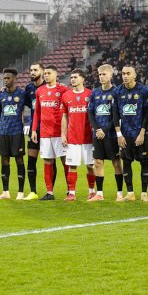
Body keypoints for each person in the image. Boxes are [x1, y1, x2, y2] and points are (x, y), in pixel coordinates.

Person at [31, 65, 69, 200]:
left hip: (59, 132)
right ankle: (49, 192)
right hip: (45, 133)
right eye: (45, 73)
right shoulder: (39, 91)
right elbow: (37, 112)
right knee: (47, 161)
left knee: (65, 161)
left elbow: (67, 111)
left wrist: (66, 131)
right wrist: (34, 130)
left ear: (56, 74)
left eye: (49, 73)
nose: (46, 75)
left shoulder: (63, 89)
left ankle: (70, 190)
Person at [115, 65, 148, 202]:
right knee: (126, 162)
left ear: (134, 75)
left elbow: (147, 113)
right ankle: (130, 193)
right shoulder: (118, 91)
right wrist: (119, 135)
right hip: (125, 135)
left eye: (128, 73)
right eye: (123, 73)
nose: (125, 76)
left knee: (144, 162)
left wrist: (142, 133)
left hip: (140, 134)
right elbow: (115, 115)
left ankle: (144, 193)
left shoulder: (143, 90)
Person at [87, 64, 123, 202]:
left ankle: (120, 193)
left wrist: (105, 130)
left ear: (111, 75)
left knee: (116, 162)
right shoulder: (95, 92)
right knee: (98, 162)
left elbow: (117, 115)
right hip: (98, 134)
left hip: (112, 134)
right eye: (100, 74)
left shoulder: (116, 92)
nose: (101, 77)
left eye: (104, 74)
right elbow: (91, 113)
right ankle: (99, 194)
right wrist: (97, 129)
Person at [60, 69, 95, 201]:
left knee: (90, 165)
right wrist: (63, 135)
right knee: (72, 165)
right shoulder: (66, 96)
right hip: (72, 137)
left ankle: (92, 192)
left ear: (83, 79)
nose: (72, 79)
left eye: (75, 77)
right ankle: (72, 193)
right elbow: (64, 117)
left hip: (88, 137)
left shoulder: (90, 94)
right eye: (71, 77)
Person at [0, 68, 27, 200]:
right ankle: (5, 192)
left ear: (14, 79)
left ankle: (20, 192)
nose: (6, 80)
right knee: (4, 160)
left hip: (17, 132)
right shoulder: (0, 95)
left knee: (19, 160)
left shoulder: (22, 94)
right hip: (3, 132)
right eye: (4, 78)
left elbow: (33, 105)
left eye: (8, 78)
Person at [22, 62, 45, 200]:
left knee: (50, 161)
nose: (32, 72)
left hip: (49, 129)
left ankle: (53, 191)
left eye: (35, 70)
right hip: (34, 129)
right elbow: (21, 101)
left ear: (42, 71)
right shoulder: (29, 88)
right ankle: (33, 192)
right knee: (31, 160)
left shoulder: (48, 86)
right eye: (31, 70)